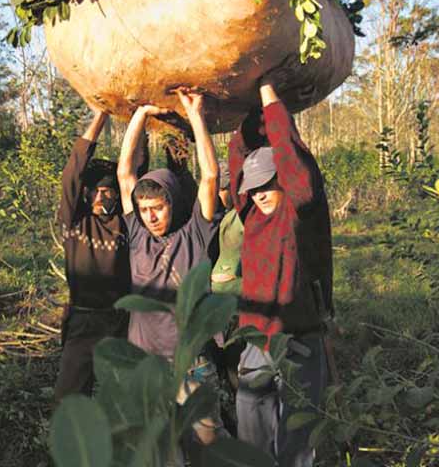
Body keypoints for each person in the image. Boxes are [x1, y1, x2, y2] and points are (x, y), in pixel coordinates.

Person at [228, 77, 334, 466]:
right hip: (258, 337)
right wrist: (248, 104)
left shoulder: (300, 207)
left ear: (282, 181)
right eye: (253, 188)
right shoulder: (250, 213)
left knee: (299, 431)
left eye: (267, 185)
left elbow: (292, 158)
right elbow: (238, 155)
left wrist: (271, 96)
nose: (258, 193)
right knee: (252, 421)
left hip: (300, 334)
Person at [117, 89, 223, 450]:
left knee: (206, 449)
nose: (150, 216)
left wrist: (196, 115)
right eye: (144, 209)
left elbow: (210, 176)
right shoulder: (137, 235)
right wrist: (142, 113)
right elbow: (124, 173)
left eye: (157, 207)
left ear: (172, 203)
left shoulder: (195, 231)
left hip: (192, 366)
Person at [55, 109, 146, 401]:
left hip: (119, 321)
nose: (100, 198)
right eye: (94, 191)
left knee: (122, 396)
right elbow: (74, 167)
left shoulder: (126, 221)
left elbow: (136, 170)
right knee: (69, 396)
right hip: (82, 320)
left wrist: (140, 118)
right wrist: (102, 115)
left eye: (107, 191)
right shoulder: (75, 220)